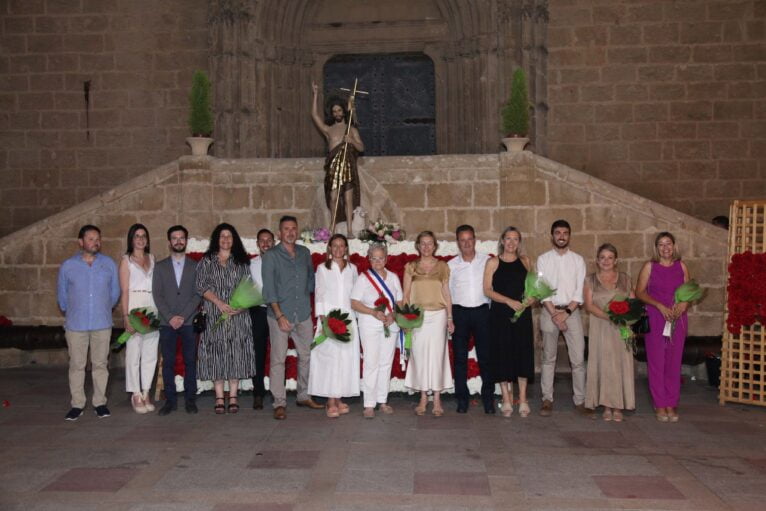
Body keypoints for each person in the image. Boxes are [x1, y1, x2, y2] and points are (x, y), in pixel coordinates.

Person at [57, 225, 120, 421]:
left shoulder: (108, 264)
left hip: (102, 322)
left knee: (100, 364)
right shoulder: (68, 266)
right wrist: (76, 310)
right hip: (76, 324)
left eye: (98, 239)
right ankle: (77, 404)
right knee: (77, 365)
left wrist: (102, 308)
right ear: (81, 242)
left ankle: (100, 403)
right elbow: (62, 297)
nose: (95, 242)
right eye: (91, 239)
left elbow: (114, 293)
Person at [262, 215, 322, 420]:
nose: (290, 232)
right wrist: (279, 315)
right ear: (279, 233)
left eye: (293, 228)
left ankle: (303, 395)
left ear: (297, 231)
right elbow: (269, 289)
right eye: (286, 229)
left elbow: (311, 281)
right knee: (278, 359)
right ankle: (279, 402)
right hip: (280, 315)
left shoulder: (305, 253)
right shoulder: (271, 256)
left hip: (303, 312)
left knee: (306, 356)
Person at [195, 223, 256, 414]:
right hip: (215, 315)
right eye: (222, 236)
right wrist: (219, 303)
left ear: (234, 239)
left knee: (236, 354)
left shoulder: (242, 262)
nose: (226, 239)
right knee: (216, 354)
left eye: (229, 236)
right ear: (216, 239)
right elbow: (199, 285)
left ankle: (234, 395)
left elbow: (249, 287)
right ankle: (220, 396)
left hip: (238, 317)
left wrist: (240, 306)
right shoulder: (207, 261)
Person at [636, 232, 690, 423]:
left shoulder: (681, 266)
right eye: (661, 244)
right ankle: (659, 403)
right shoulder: (649, 267)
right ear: (656, 248)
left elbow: (687, 292)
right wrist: (658, 305)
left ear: (674, 246)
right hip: (657, 316)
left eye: (668, 244)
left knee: (674, 362)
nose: (665, 248)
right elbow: (639, 292)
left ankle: (671, 402)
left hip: (677, 318)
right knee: (657, 361)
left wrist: (682, 306)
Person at [537, 219, 588, 417]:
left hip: (572, 312)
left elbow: (579, 291)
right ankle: (547, 399)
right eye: (557, 232)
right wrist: (555, 315)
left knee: (577, 360)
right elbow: (542, 290)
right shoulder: (543, 259)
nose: (561, 236)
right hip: (549, 311)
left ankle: (580, 400)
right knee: (548, 358)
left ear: (569, 236)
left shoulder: (578, 260)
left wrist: (566, 313)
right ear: (552, 235)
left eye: (565, 233)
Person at [483, 227, 535, 418]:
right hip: (500, 315)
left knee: (522, 353)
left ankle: (522, 399)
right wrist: (508, 301)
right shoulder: (493, 262)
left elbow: (533, 288)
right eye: (508, 239)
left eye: (515, 239)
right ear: (502, 241)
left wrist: (531, 299)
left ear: (519, 242)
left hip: (522, 314)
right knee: (502, 354)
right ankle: (506, 399)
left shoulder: (526, 261)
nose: (512, 243)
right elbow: (487, 290)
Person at [403, 231, 454, 416]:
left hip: (439, 315)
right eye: (422, 243)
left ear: (435, 246)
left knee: (438, 356)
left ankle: (437, 399)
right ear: (418, 246)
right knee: (420, 356)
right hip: (418, 317)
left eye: (429, 243)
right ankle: (423, 397)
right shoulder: (410, 267)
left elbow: (447, 293)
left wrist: (450, 317)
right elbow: (406, 295)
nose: (426, 247)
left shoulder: (442, 266)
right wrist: (406, 318)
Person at [152, 225, 201, 416]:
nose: (178, 241)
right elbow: (158, 295)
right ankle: (170, 401)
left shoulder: (195, 266)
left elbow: (198, 294)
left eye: (182, 238)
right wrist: (171, 317)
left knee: (190, 361)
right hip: (167, 322)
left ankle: (190, 400)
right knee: (169, 362)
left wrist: (184, 316)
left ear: (186, 241)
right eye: (174, 238)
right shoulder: (160, 267)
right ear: (169, 241)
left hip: (188, 323)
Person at [310, 234, 361, 417]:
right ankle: (330, 401)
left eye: (342, 246)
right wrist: (324, 321)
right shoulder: (323, 268)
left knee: (345, 359)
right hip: (329, 318)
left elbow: (356, 294)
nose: (338, 249)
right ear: (329, 248)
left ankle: (339, 398)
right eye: (335, 246)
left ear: (346, 248)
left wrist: (356, 319)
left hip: (347, 318)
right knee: (329, 360)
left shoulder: (352, 269)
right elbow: (320, 294)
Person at [583, 243, 635, 422]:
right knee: (604, 363)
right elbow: (589, 305)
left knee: (621, 364)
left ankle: (618, 405)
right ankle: (606, 405)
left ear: (616, 260)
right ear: (597, 260)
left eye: (610, 257)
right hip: (600, 326)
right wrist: (609, 316)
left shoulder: (625, 279)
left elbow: (633, 302)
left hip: (621, 327)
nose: (606, 261)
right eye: (602, 257)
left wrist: (626, 317)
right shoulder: (590, 280)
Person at [351, 242, 402, 418]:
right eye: (374, 258)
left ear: (386, 259)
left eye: (381, 258)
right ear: (369, 259)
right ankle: (369, 404)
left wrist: (393, 315)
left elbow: (400, 302)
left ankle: (382, 400)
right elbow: (354, 302)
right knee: (371, 363)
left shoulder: (394, 277)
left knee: (386, 363)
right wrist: (373, 312)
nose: (378, 261)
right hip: (369, 325)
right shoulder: (363, 278)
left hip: (390, 325)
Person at [448, 224, 494, 414]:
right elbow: (448, 293)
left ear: (475, 240)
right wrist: (449, 317)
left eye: (469, 239)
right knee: (460, 359)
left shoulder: (487, 261)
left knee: (486, 358)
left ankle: (488, 399)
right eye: (462, 240)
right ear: (458, 242)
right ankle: (462, 399)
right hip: (460, 313)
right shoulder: (451, 265)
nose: (466, 243)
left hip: (483, 312)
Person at [311, 81, 365, 235]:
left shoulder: (351, 129)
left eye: (339, 110)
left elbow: (361, 148)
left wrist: (352, 141)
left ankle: (349, 230)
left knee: (348, 199)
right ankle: (332, 228)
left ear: (343, 111)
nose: (337, 113)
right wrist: (315, 94)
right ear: (332, 113)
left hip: (347, 166)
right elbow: (314, 116)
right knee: (333, 198)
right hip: (333, 166)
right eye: (334, 111)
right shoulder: (329, 130)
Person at [119, 223, 159, 414]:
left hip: (151, 307)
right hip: (135, 306)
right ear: (131, 239)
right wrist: (126, 316)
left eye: (144, 235)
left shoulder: (152, 258)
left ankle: (146, 392)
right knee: (134, 352)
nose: (141, 239)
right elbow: (124, 290)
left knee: (150, 353)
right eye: (137, 236)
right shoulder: (126, 260)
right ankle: (135, 393)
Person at [248, 228, 275, 410]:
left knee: (277, 354)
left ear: (274, 243)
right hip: (258, 312)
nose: (265, 243)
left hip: (276, 310)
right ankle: (258, 393)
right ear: (257, 244)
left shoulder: (280, 262)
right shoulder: (251, 264)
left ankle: (276, 392)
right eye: (262, 241)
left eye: (268, 240)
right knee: (258, 353)